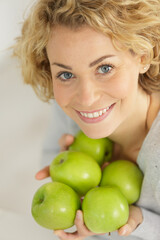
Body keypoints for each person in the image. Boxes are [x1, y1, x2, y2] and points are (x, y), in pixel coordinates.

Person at [13, 0, 160, 239]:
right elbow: (50, 153)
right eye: (66, 74)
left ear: (143, 56)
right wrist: (71, 180)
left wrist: (141, 219)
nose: (87, 97)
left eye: (104, 68)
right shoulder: (69, 109)